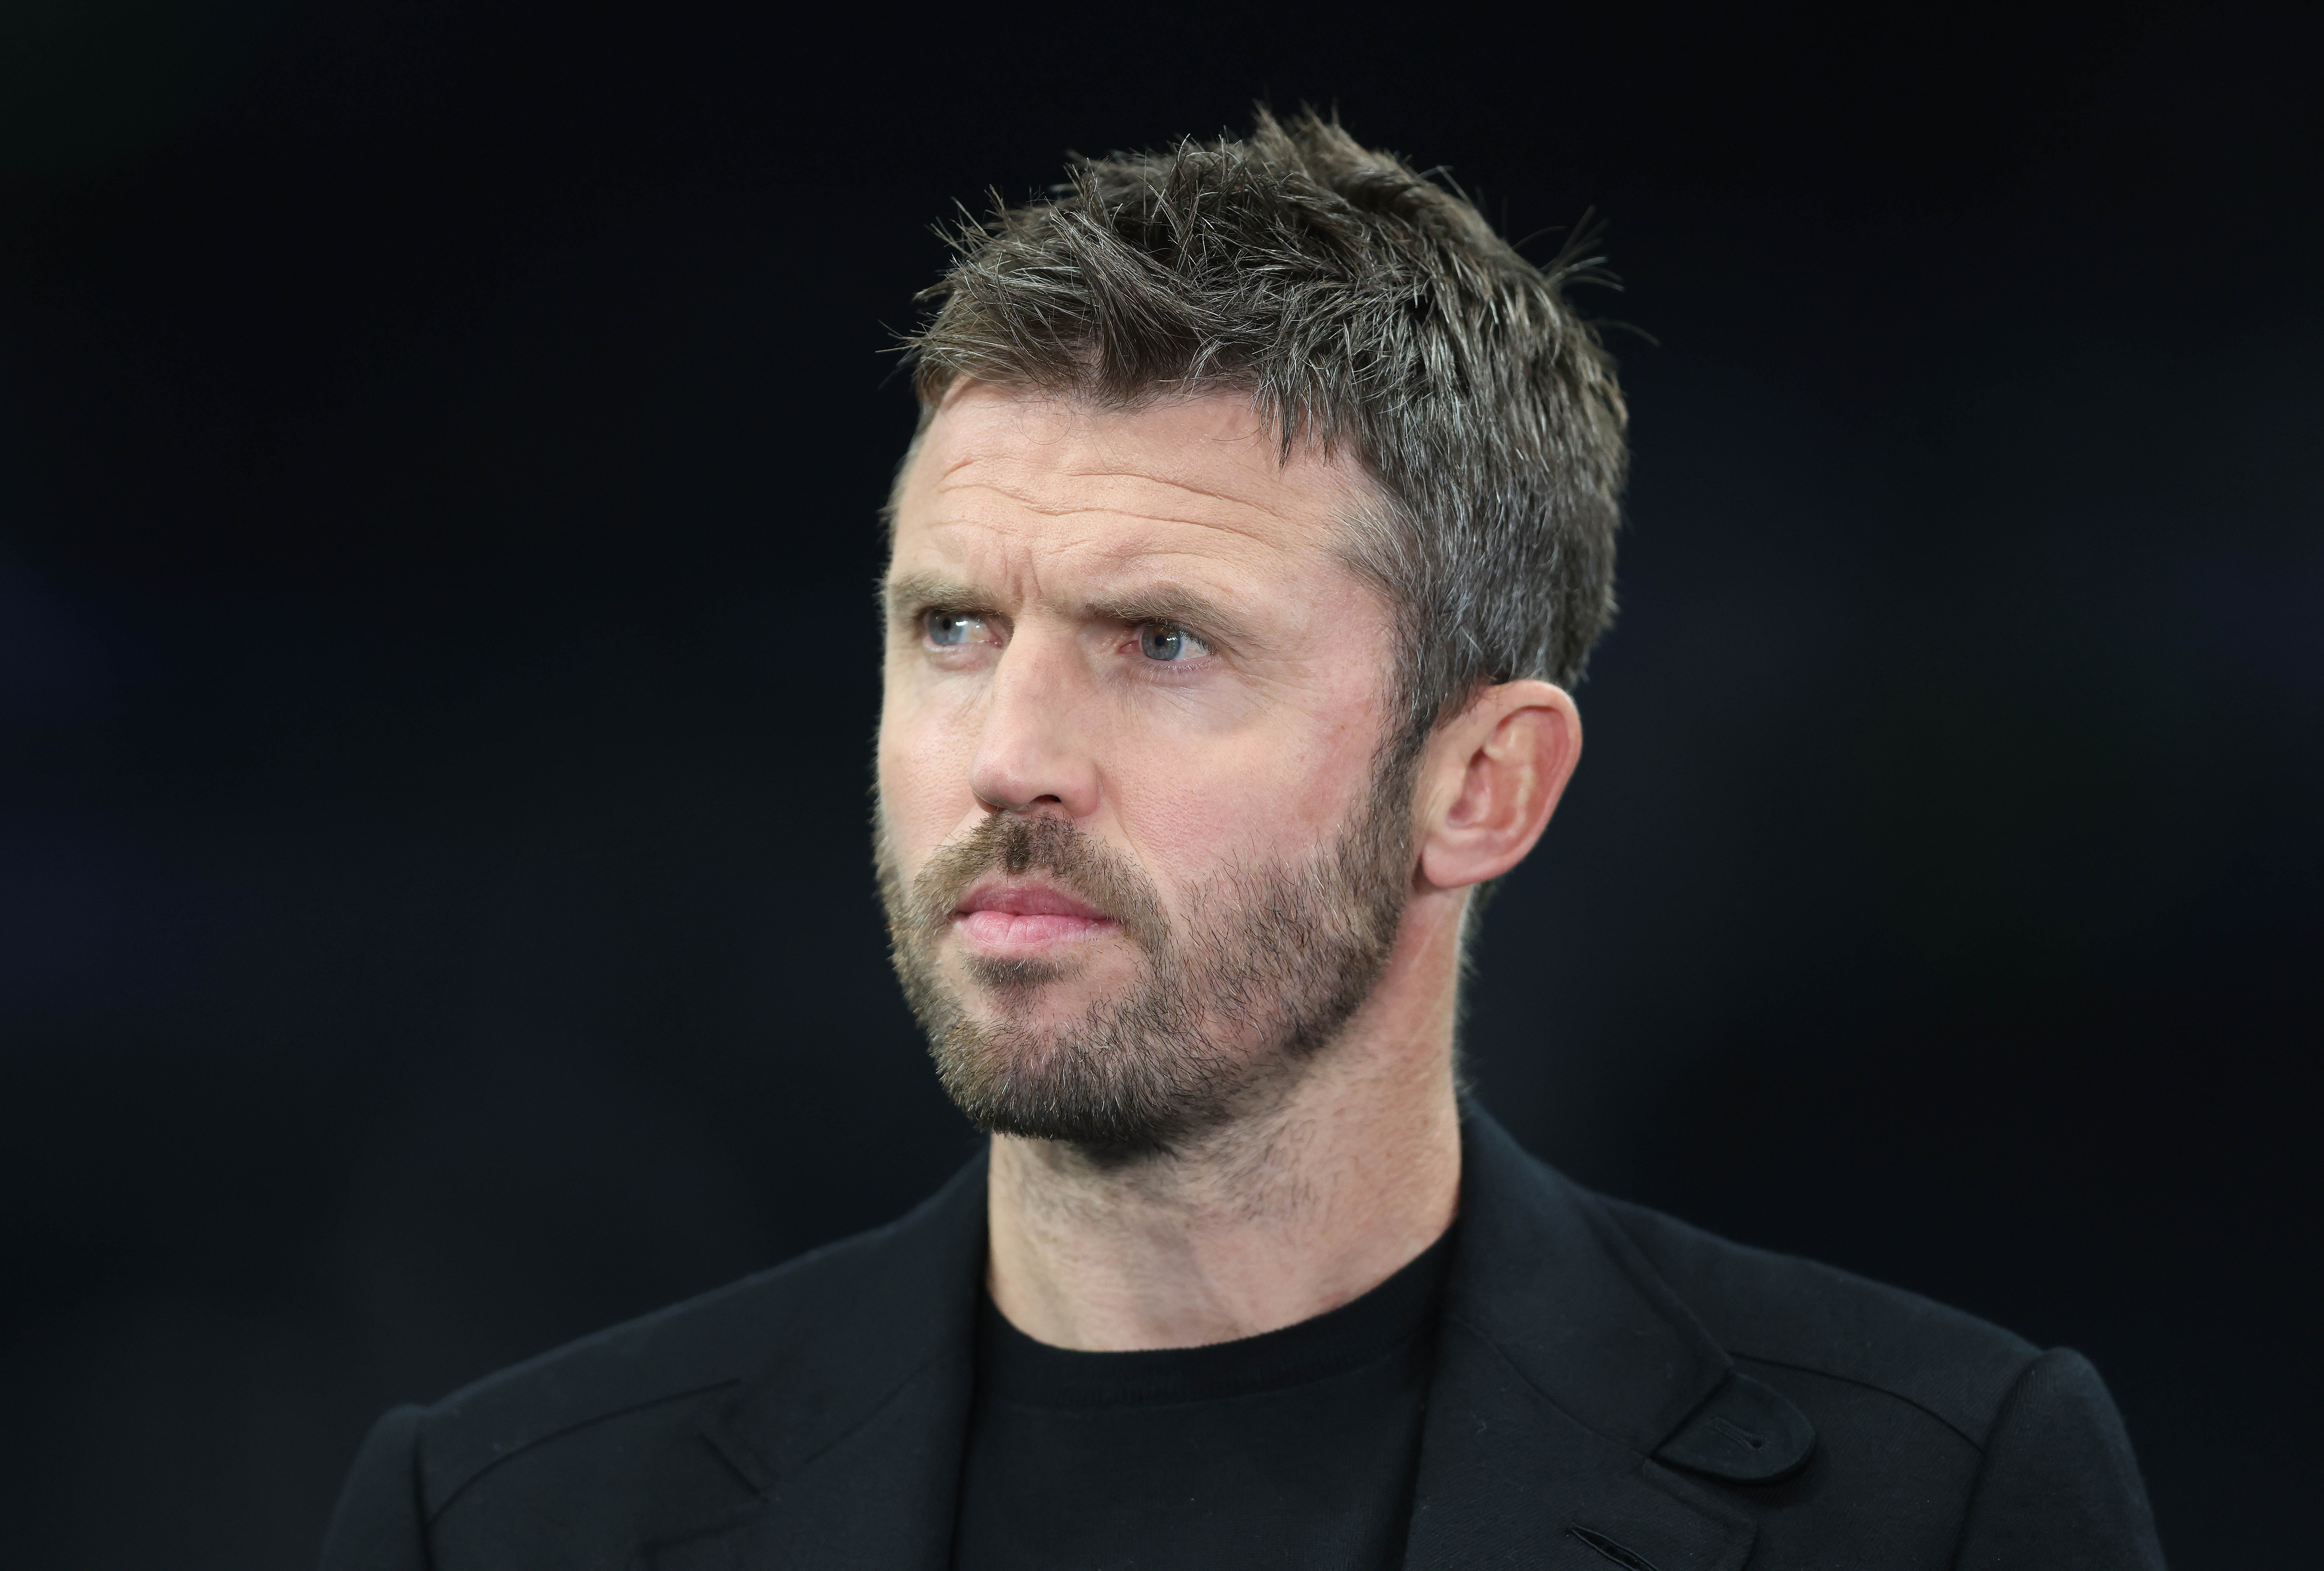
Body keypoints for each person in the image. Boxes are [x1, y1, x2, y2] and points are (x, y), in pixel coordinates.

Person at [320, 111, 2164, 1570]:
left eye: (1164, 643)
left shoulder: (1930, 1501)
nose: (1010, 756)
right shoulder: (501, 1519)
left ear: (1483, 788)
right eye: (952, 628)